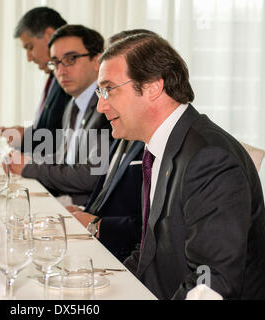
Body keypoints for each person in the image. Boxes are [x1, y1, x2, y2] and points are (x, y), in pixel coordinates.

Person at [96, 33, 265, 299]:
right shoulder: (163, 146)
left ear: (152, 87)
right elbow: (151, 252)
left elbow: (211, 284)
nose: (101, 105)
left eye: (108, 89)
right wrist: (106, 288)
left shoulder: (210, 159)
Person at [66, 29, 158, 262]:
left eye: (110, 88)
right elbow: (104, 189)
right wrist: (84, 213)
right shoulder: (125, 130)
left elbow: (153, 231)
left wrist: (96, 225)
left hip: (116, 252)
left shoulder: (163, 142)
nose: (101, 105)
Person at [8, 24, 113, 206]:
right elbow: (65, 159)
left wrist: (30, 168)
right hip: (66, 201)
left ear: (97, 61)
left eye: (71, 59)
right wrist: (27, 160)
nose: (61, 71)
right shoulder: (73, 103)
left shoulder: (107, 107)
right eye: (55, 62)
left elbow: (91, 175)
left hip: (86, 211)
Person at [0, 7, 71, 154]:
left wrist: (26, 137)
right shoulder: (54, 78)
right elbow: (52, 129)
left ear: (50, 36)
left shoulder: (70, 82)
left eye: (30, 47)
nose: (29, 57)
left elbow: (67, 144)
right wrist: (26, 133)